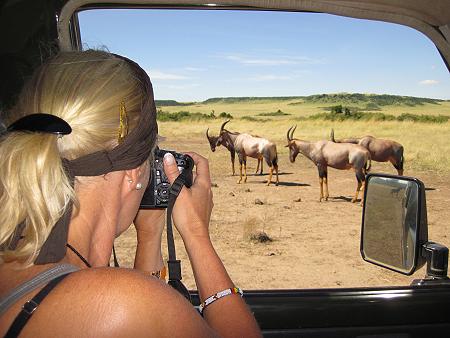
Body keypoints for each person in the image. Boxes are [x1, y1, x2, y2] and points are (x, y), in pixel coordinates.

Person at [0, 50, 262, 337]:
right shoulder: (120, 305)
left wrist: (149, 236)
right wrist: (197, 234)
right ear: (133, 173)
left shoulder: (15, 259)